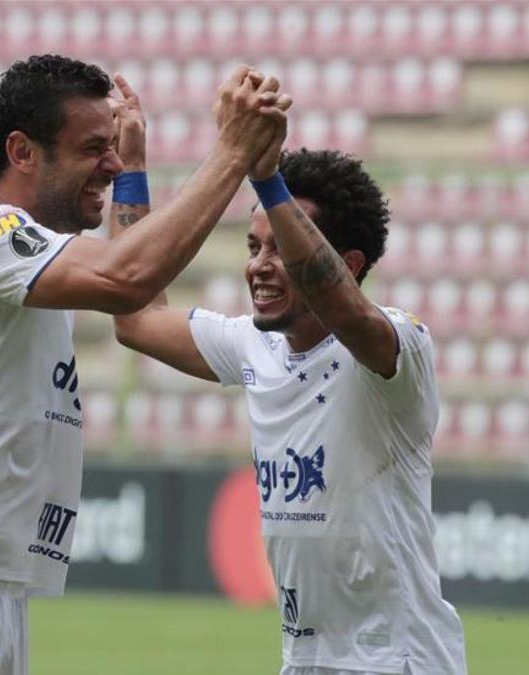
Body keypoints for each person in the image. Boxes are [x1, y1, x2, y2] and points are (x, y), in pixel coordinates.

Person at [0, 54, 291, 674]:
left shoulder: (41, 266)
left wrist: (135, 175)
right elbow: (127, 276)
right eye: (93, 148)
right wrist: (232, 154)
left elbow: (139, 307)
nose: (113, 162)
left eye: (114, 148)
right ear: (22, 152)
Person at [111, 139, 468, 673]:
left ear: (347, 264)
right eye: (254, 247)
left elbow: (346, 311)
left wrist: (267, 179)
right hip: (305, 660)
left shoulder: (396, 347)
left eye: (281, 249)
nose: (260, 266)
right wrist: (132, 168)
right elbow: (133, 316)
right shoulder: (254, 344)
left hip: (397, 660)